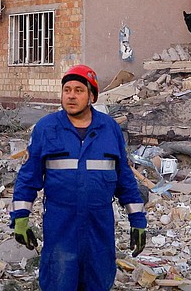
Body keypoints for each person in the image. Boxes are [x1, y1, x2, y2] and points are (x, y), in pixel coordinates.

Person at [10, 64, 147, 291]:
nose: (71, 96)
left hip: (98, 227)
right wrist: (20, 218)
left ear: (92, 96)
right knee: (59, 282)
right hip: (61, 226)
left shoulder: (109, 129)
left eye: (79, 90)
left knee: (98, 281)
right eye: (67, 90)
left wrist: (138, 221)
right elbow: (28, 176)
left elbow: (125, 179)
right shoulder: (47, 128)